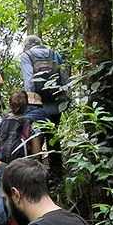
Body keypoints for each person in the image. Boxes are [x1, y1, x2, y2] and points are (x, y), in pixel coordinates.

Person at [19, 35, 66, 174]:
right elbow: (63, 77)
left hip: (37, 104)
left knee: (36, 137)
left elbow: (29, 81)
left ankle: (36, 172)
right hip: (55, 103)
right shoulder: (54, 54)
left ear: (27, 46)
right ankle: (57, 172)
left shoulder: (26, 56)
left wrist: (30, 101)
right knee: (53, 135)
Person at [0, 91, 41, 163]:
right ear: (26, 105)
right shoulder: (31, 125)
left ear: (10, 104)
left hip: (1, 164)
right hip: (21, 165)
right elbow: (36, 154)